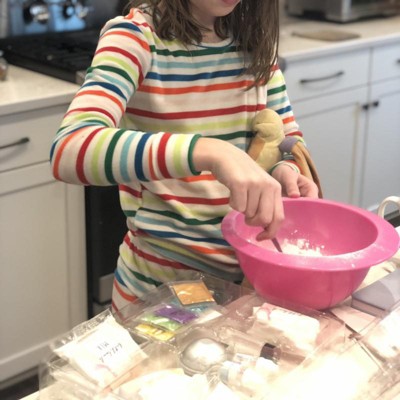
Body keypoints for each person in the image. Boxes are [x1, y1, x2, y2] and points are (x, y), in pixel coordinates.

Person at [50, 0, 319, 313]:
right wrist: (208, 151)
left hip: (251, 285)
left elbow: (285, 137)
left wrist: (286, 169)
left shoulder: (254, 41)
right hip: (162, 289)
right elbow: (70, 149)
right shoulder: (135, 38)